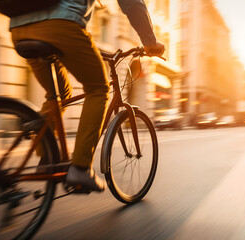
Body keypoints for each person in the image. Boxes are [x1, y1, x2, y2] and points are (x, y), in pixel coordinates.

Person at [10, 0, 165, 192]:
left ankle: (46, 154)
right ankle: (80, 168)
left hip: (18, 28)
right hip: (60, 25)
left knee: (58, 94)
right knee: (98, 89)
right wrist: (150, 42)